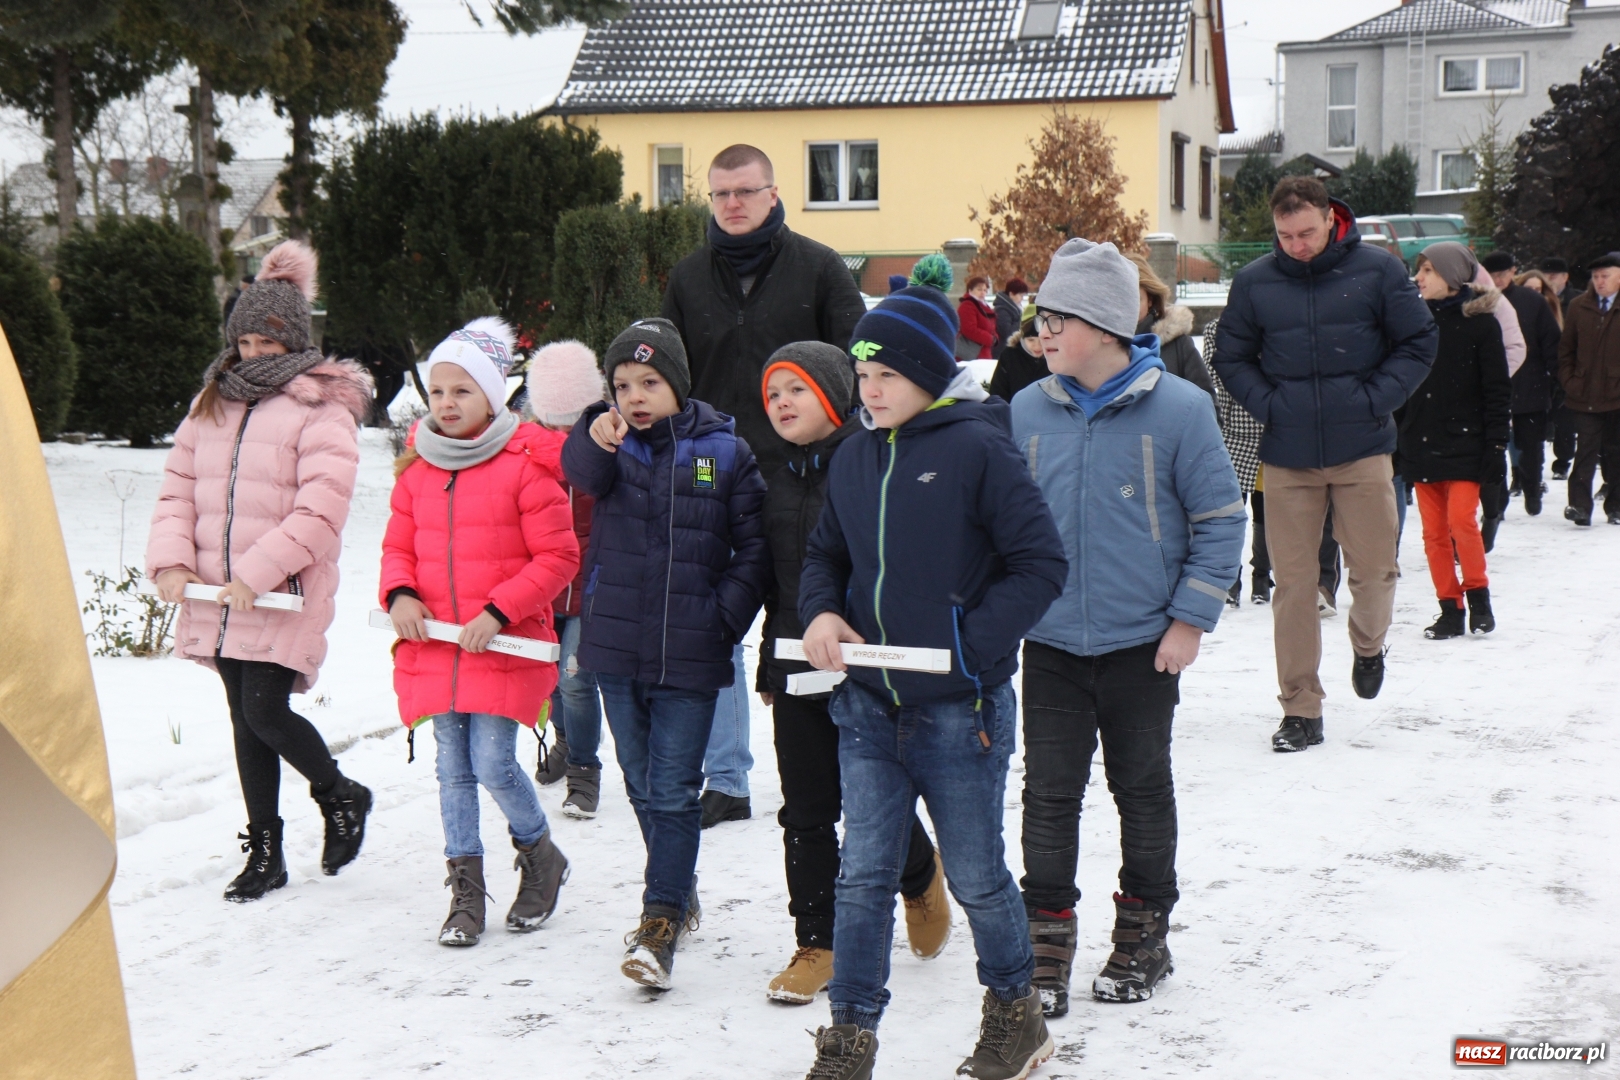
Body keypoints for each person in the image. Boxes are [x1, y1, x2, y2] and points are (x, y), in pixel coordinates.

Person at [795, 282, 1068, 1080]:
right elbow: (826, 555)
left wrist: (967, 648)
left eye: (886, 375)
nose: (869, 391)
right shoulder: (855, 454)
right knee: (862, 877)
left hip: (959, 712)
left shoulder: (979, 448)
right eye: (862, 376)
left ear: (926, 374)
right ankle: (851, 1035)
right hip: (868, 707)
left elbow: (1040, 564)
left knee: (977, 877)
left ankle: (1016, 1012)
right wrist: (821, 613)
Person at [1011, 239, 1244, 1017]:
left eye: (1058, 319)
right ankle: (1046, 936)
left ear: (1106, 326)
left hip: (1144, 644)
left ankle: (1145, 929)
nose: (1043, 332)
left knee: (1140, 790)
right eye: (1040, 318)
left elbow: (1221, 520)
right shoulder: (1026, 409)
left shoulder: (1179, 409)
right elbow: (1004, 525)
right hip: (1049, 642)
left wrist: (1189, 621)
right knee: (1048, 794)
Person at [146, 240, 374, 902]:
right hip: (219, 594)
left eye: (266, 342)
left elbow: (321, 507)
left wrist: (258, 571)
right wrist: (172, 561)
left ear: (294, 340)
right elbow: (177, 489)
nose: (253, 354)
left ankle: (339, 793)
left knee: (265, 711)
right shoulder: (211, 403)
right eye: (243, 341)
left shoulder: (322, 409)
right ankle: (264, 853)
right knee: (244, 723)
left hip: (281, 592)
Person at [561, 317, 770, 990]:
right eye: (622, 385)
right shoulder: (610, 444)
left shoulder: (725, 451)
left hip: (689, 652)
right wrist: (593, 428)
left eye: (649, 382)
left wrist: (722, 620)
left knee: (675, 790)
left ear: (678, 384)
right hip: (616, 645)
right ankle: (677, 889)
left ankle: (660, 924)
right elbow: (579, 472)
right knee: (640, 781)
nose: (635, 397)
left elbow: (754, 549)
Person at [661, 144, 867, 827]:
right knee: (712, 620)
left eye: (745, 191)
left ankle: (842, 762)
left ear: (773, 194)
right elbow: (673, 379)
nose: (733, 204)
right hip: (710, 471)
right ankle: (725, 777)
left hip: (805, 478)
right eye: (721, 193)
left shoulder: (820, 268)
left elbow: (857, 363)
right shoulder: (688, 278)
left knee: (809, 611)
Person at [754, 341, 951, 1007]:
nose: (782, 403)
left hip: (867, 666)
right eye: (772, 393)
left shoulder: (868, 463)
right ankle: (818, 942)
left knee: (870, 803)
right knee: (806, 808)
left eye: (797, 390)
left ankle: (919, 874)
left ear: (836, 396)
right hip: (796, 661)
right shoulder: (772, 476)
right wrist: (771, 660)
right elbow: (774, 581)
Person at [1213, 176, 1437, 754]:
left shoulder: (1377, 271)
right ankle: (1301, 708)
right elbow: (1231, 356)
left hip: (1362, 447)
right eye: (1285, 235)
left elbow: (1418, 341)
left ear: (1331, 219)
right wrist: (1270, 405)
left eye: (1307, 233)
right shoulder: (1256, 281)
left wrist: (1373, 399)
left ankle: (1368, 645)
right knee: (1293, 585)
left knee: (1375, 571)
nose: (1297, 245)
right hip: (1287, 456)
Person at [381, 318, 579, 945]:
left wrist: (498, 611)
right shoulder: (418, 470)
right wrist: (400, 594)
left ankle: (540, 854)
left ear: (493, 397)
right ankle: (466, 894)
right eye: (438, 391)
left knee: (492, 762)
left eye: (462, 391)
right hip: (437, 645)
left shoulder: (524, 466)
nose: (447, 403)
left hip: (501, 644)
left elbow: (558, 557)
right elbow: (397, 548)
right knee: (452, 770)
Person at [1399, 244, 1511, 639]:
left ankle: (1478, 596)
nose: (1419, 277)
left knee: (1461, 520)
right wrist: (1397, 436)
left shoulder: (1481, 325)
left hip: (1467, 442)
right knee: (1433, 534)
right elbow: (1401, 384)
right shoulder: (1413, 324)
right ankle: (1450, 608)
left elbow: (1497, 391)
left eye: (1428, 270)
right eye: (1419, 270)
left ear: (1450, 276)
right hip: (1421, 441)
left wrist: (1496, 446)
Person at [526, 340, 609, 818]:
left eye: (570, 419)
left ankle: (584, 770)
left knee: (576, 680)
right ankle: (564, 740)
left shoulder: (607, 445)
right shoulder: (527, 452)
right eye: (552, 420)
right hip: (543, 588)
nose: (561, 432)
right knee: (549, 679)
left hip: (591, 587)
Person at [1484, 252, 1563, 517]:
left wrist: (1558, 377)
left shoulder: (1532, 301)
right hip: (1494, 389)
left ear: (1513, 272)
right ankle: (1497, 501)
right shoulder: (1480, 301)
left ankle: (1531, 489)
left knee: (1531, 448)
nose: (1497, 280)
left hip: (1531, 385)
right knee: (1494, 448)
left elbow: (1551, 342)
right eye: (1492, 275)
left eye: (1502, 274)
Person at [1202, 316, 1267, 604]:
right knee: (1231, 511)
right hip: (1233, 432)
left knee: (1266, 512)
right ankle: (1232, 579)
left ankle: (1262, 578)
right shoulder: (1217, 328)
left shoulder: (1272, 321)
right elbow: (1213, 374)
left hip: (1269, 429)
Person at [1557, 251, 1620, 526]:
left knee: (1615, 452)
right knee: (1585, 450)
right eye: (1596, 276)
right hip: (1585, 393)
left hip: (1617, 395)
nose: (1600, 281)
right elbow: (1566, 350)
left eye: (1605, 276)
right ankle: (1579, 506)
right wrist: (1570, 380)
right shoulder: (1578, 306)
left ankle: (1616, 505)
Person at [1129, 254, 1215, 407]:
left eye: (1135, 298)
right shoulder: (1096, 346)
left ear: (1150, 300)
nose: (1127, 307)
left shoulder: (1178, 345)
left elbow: (1206, 404)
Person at [1541, 257, 1581, 477]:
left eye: (1553, 275)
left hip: (1568, 365)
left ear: (1565, 277)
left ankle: (1563, 461)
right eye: (1545, 275)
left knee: (1565, 419)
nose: (1549, 280)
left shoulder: (1576, 301)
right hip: (1543, 365)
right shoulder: (1538, 300)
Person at [989, 301, 1048, 402]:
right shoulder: (1009, 356)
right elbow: (997, 393)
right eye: (1031, 340)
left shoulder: (1057, 358)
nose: (1037, 346)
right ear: (1022, 338)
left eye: (1042, 340)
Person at [957, 275, 999, 360]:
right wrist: (990, 339)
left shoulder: (984, 307)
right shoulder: (967, 305)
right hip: (970, 355)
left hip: (983, 353)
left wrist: (995, 338)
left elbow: (991, 326)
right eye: (979, 289)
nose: (983, 293)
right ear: (970, 290)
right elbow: (969, 329)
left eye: (985, 290)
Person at [994, 277, 1030, 346]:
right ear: (1011, 294)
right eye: (1020, 295)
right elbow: (1007, 333)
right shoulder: (1002, 310)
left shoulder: (1015, 308)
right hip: (1004, 348)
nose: (1022, 298)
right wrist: (1023, 320)